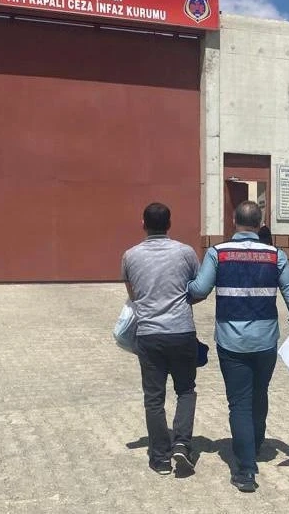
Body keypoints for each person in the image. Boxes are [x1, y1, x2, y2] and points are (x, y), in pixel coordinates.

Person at [187, 200, 289, 492]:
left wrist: (183, 287)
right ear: (259, 224)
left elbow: (200, 290)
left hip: (231, 342)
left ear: (234, 221)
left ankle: (245, 470)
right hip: (265, 341)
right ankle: (255, 444)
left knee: (239, 402)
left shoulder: (217, 253)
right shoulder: (276, 255)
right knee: (259, 393)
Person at [121, 202, 200, 475]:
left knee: (154, 397)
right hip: (182, 331)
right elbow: (198, 288)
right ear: (169, 224)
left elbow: (133, 295)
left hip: (149, 334)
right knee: (185, 390)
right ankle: (182, 444)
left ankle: (160, 458)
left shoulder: (130, 256)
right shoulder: (186, 252)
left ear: (143, 224)